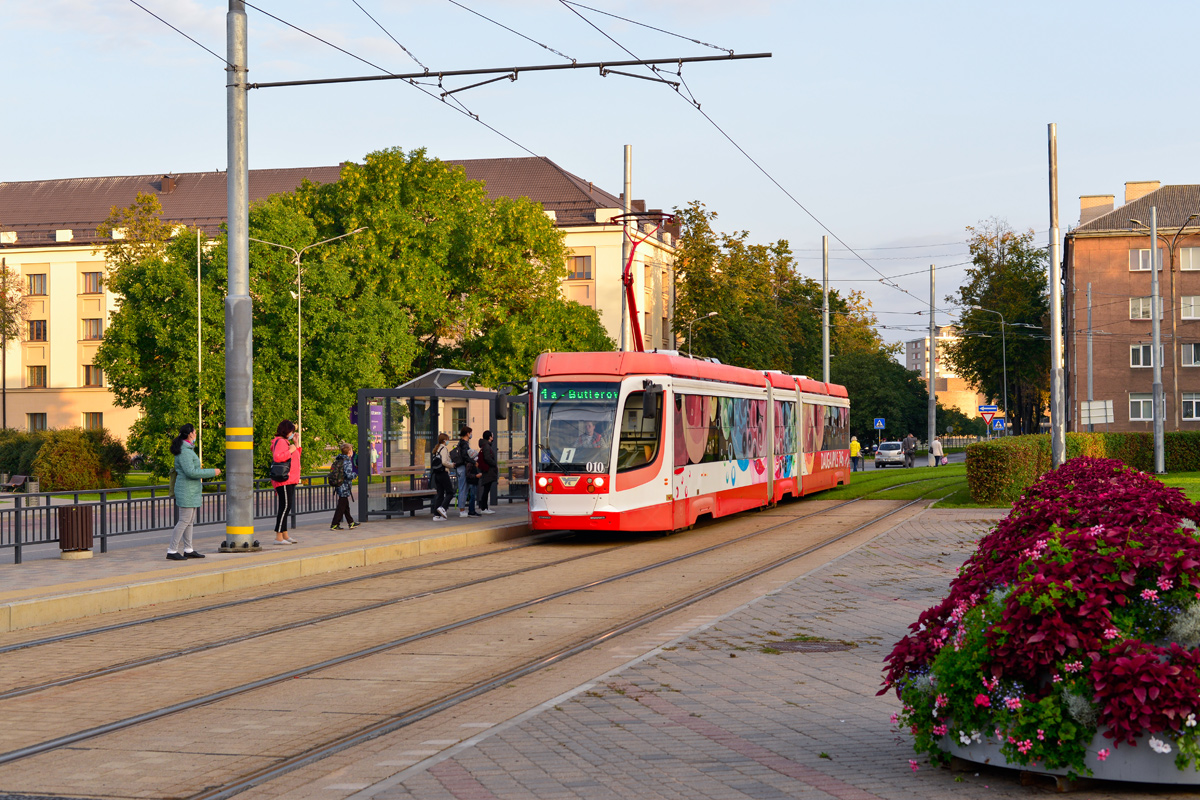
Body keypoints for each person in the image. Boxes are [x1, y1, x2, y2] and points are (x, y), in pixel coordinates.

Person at [166, 423, 219, 561]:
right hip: (186, 490)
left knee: (189, 521)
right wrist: (212, 472)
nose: (196, 434)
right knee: (184, 521)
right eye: (195, 432)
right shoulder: (185, 451)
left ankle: (188, 549)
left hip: (191, 490)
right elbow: (191, 472)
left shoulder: (187, 449)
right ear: (190, 434)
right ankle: (172, 550)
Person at [271, 420, 302, 544]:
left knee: (286, 507)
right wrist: (290, 450)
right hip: (284, 479)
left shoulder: (286, 442)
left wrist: (295, 444)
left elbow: (296, 457)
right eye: (291, 431)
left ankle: (285, 535)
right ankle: (278, 537)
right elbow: (278, 457)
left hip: (290, 479)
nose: (292, 434)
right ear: (286, 431)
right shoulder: (281, 442)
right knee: (285, 507)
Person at [330, 442, 359, 530]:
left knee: (345, 505)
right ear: (349, 451)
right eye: (351, 450)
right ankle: (334, 524)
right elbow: (348, 475)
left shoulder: (339, 459)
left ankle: (351, 522)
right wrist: (355, 474)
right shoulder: (347, 462)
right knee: (341, 506)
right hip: (344, 486)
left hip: (339, 485)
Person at [431, 433, 453, 521]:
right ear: (444, 440)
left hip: (437, 474)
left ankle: (436, 516)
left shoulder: (437, 449)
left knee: (440, 494)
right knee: (450, 492)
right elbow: (444, 462)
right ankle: (443, 508)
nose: (448, 441)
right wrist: (452, 465)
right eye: (447, 439)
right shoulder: (443, 448)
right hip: (443, 473)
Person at [478, 430, 498, 515]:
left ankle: (484, 507)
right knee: (486, 489)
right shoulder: (486, 446)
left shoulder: (485, 445)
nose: (493, 437)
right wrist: (494, 464)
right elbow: (487, 458)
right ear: (489, 437)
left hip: (487, 470)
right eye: (492, 435)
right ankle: (484, 508)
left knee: (486, 489)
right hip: (488, 470)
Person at [454, 426, 472, 517]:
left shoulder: (460, 443)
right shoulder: (464, 444)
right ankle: (462, 510)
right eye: (470, 433)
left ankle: (462, 509)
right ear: (467, 433)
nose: (471, 435)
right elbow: (465, 456)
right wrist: (473, 461)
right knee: (463, 489)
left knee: (463, 488)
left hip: (459, 467)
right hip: (462, 467)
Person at [464, 445, 481, 517]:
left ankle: (472, 510)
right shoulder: (470, 464)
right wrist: (476, 476)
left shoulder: (472, 464)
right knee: (472, 496)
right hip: (472, 482)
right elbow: (468, 474)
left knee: (473, 496)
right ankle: (471, 511)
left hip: (473, 481)